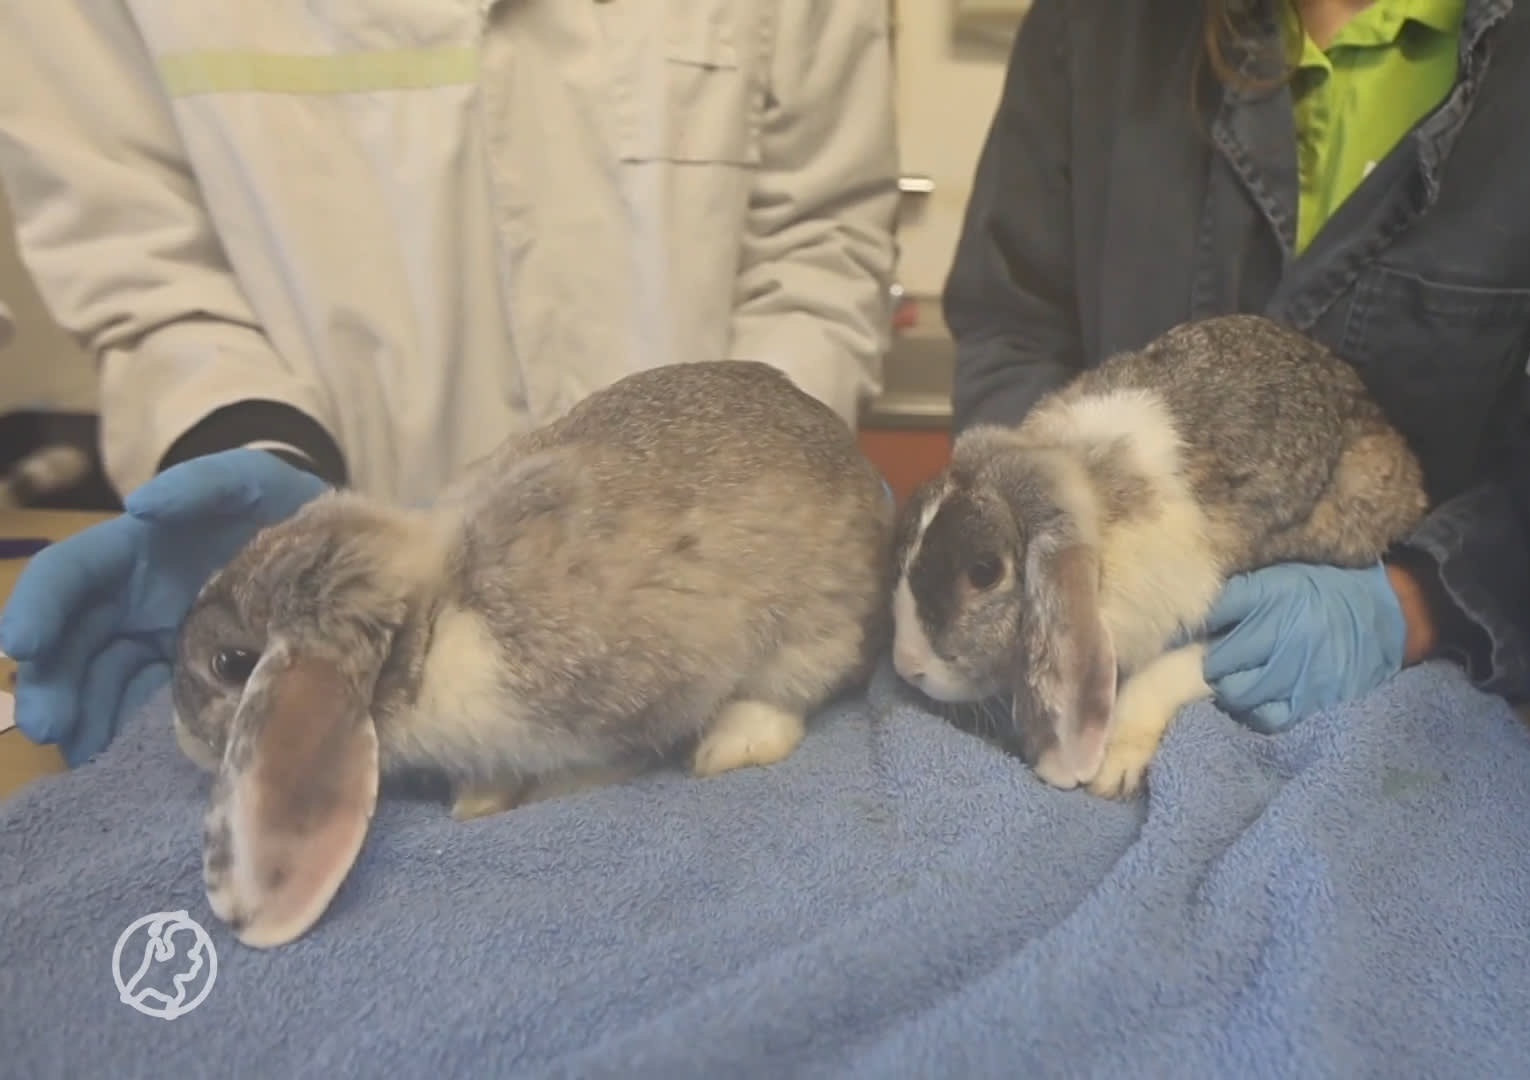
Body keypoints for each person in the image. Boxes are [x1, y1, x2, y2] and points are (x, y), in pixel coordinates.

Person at [0, 1, 899, 764]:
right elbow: (144, 266)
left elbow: (817, 241)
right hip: (353, 531)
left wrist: (760, 550)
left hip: (708, 569)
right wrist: (253, 475)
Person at [944, 0, 1530, 731]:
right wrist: (1047, 547)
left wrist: (1417, 602)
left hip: (1489, 721)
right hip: (1104, 662)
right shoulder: (1098, 25)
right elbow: (1009, 321)